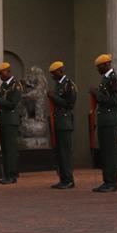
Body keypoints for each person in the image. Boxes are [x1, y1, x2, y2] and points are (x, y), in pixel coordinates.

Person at [91, 53, 117, 193]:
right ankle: (107, 180)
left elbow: (114, 101)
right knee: (105, 152)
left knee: (110, 152)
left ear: (106, 65)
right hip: (104, 119)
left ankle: (111, 182)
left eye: (99, 67)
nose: (98, 70)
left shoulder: (114, 80)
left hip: (111, 119)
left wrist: (97, 94)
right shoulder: (105, 79)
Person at [0, 62, 22, 185]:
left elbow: (12, 104)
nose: (0, 76)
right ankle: (7, 175)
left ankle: (12, 176)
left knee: (10, 149)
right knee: (5, 149)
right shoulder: (4, 85)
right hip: (4, 119)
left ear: (8, 71)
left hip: (11, 120)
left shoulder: (16, 85)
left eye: (1, 73)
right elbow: (3, 103)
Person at [47, 60, 76, 189]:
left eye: (54, 74)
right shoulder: (59, 84)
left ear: (60, 71)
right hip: (58, 121)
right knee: (59, 153)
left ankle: (69, 179)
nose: (53, 77)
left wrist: (54, 97)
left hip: (65, 121)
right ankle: (63, 178)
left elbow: (69, 103)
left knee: (65, 153)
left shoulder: (68, 84)